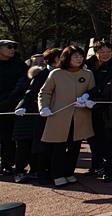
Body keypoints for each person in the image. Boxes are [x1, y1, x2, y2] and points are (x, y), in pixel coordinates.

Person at [38, 46, 96, 187]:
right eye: (75, 56)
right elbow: (45, 92)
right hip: (59, 116)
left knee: (74, 147)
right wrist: (44, 107)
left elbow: (93, 91)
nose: (79, 59)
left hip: (80, 117)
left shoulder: (88, 74)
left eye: (81, 56)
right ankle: (57, 175)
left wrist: (88, 100)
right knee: (58, 148)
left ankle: (69, 172)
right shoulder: (56, 74)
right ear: (67, 58)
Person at [12, 48, 61, 183]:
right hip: (32, 114)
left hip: (52, 114)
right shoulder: (42, 74)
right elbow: (30, 92)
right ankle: (20, 171)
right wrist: (21, 106)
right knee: (25, 145)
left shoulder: (63, 74)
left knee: (43, 146)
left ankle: (39, 170)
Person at [0, 39, 28, 175]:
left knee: (8, 138)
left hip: (8, 105)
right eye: (9, 46)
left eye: (14, 47)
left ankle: (7, 165)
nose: (12, 49)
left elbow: (19, 88)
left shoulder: (19, 65)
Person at [83, 40, 112, 177]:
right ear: (96, 52)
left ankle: (107, 166)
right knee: (91, 137)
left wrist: (90, 94)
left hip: (104, 106)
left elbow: (105, 85)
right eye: (102, 52)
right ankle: (96, 165)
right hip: (86, 105)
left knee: (104, 138)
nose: (106, 54)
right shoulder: (87, 64)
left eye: (109, 51)